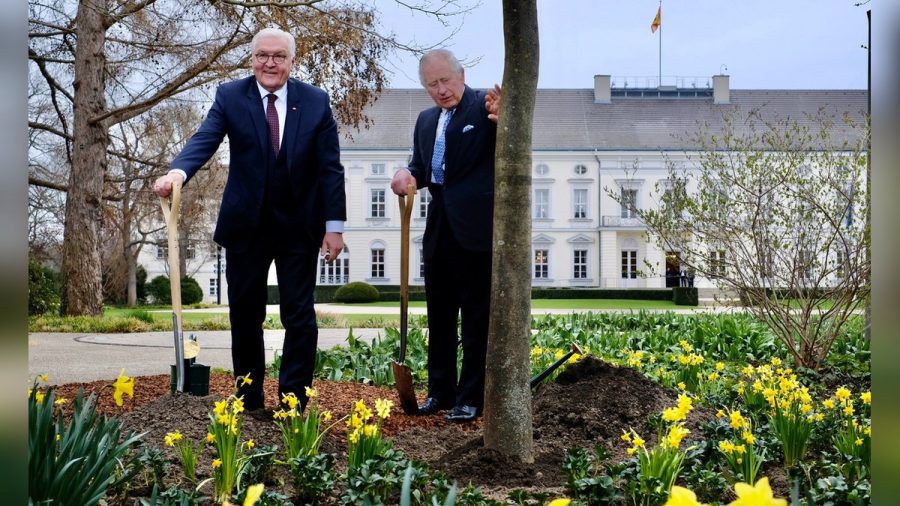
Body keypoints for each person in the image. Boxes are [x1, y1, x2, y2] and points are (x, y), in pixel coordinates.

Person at [153, 27, 345, 414]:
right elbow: (206, 137)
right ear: (252, 59)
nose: (269, 63)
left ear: (292, 61)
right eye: (262, 55)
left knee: (300, 317)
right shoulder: (230, 96)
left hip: (298, 227)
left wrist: (334, 226)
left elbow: (330, 169)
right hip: (246, 227)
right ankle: (249, 398)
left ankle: (293, 402)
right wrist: (178, 173)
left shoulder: (315, 101)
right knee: (244, 316)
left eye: (278, 56)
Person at [390, 49, 500, 423]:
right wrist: (407, 175)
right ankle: (440, 392)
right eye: (432, 84)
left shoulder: (485, 106)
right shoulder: (425, 121)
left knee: (475, 318)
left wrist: (507, 120)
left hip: (477, 230)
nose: (441, 90)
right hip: (438, 229)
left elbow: (510, 147)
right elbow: (421, 166)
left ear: (462, 74)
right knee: (439, 316)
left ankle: (471, 399)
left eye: (445, 81)